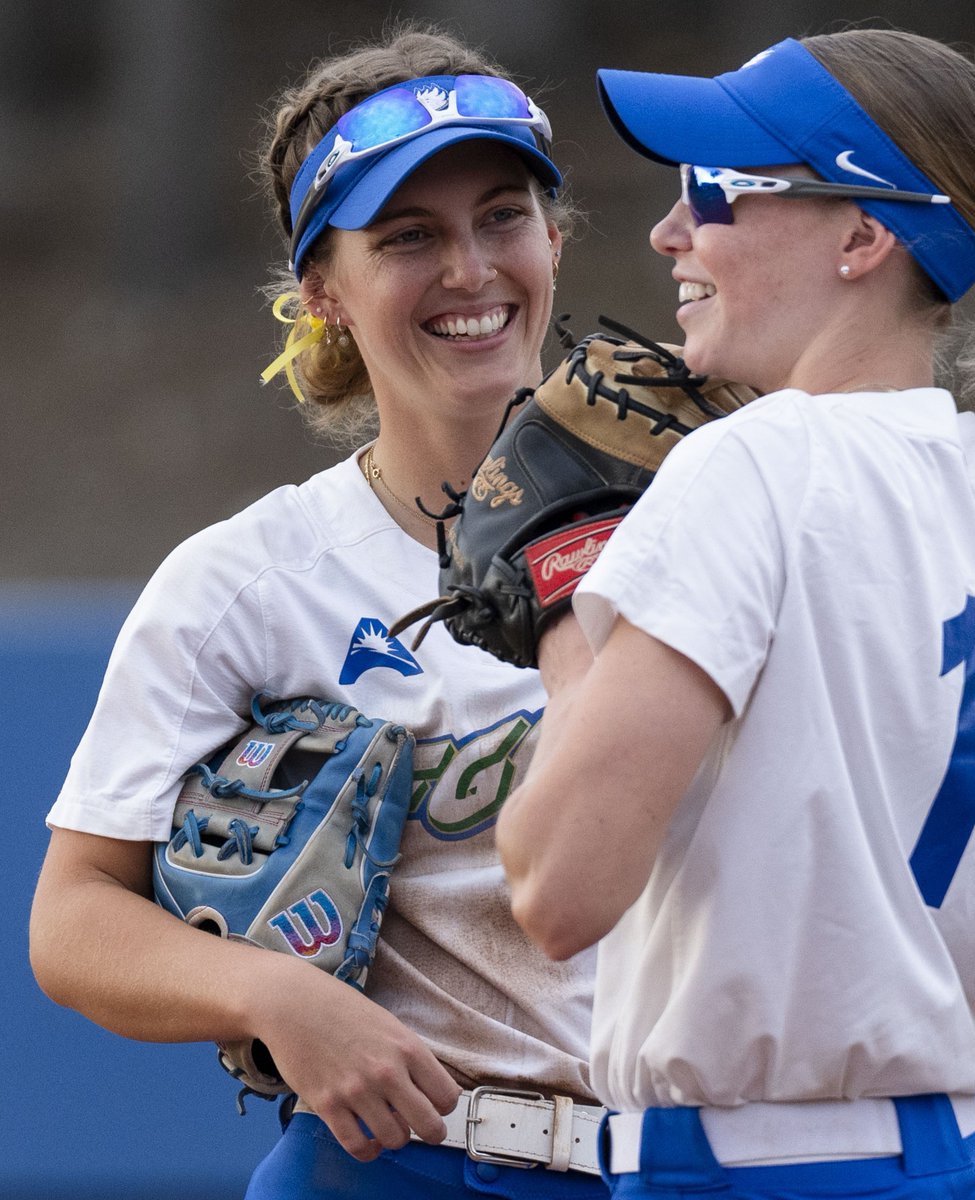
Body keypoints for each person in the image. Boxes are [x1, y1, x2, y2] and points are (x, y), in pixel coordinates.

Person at [496, 29, 975, 1200]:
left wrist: (558, 611)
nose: (672, 230)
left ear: (864, 234)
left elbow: (557, 888)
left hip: (756, 1170)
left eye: (718, 189)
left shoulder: (755, 466)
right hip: (953, 1164)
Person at [28, 22, 609, 1200]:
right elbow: (72, 919)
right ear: (322, 294)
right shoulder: (253, 579)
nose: (470, 270)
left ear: (554, 235)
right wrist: (273, 994)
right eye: (408, 237)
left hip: (709, 1163)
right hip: (410, 1168)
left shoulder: (704, 519)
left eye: (503, 215)